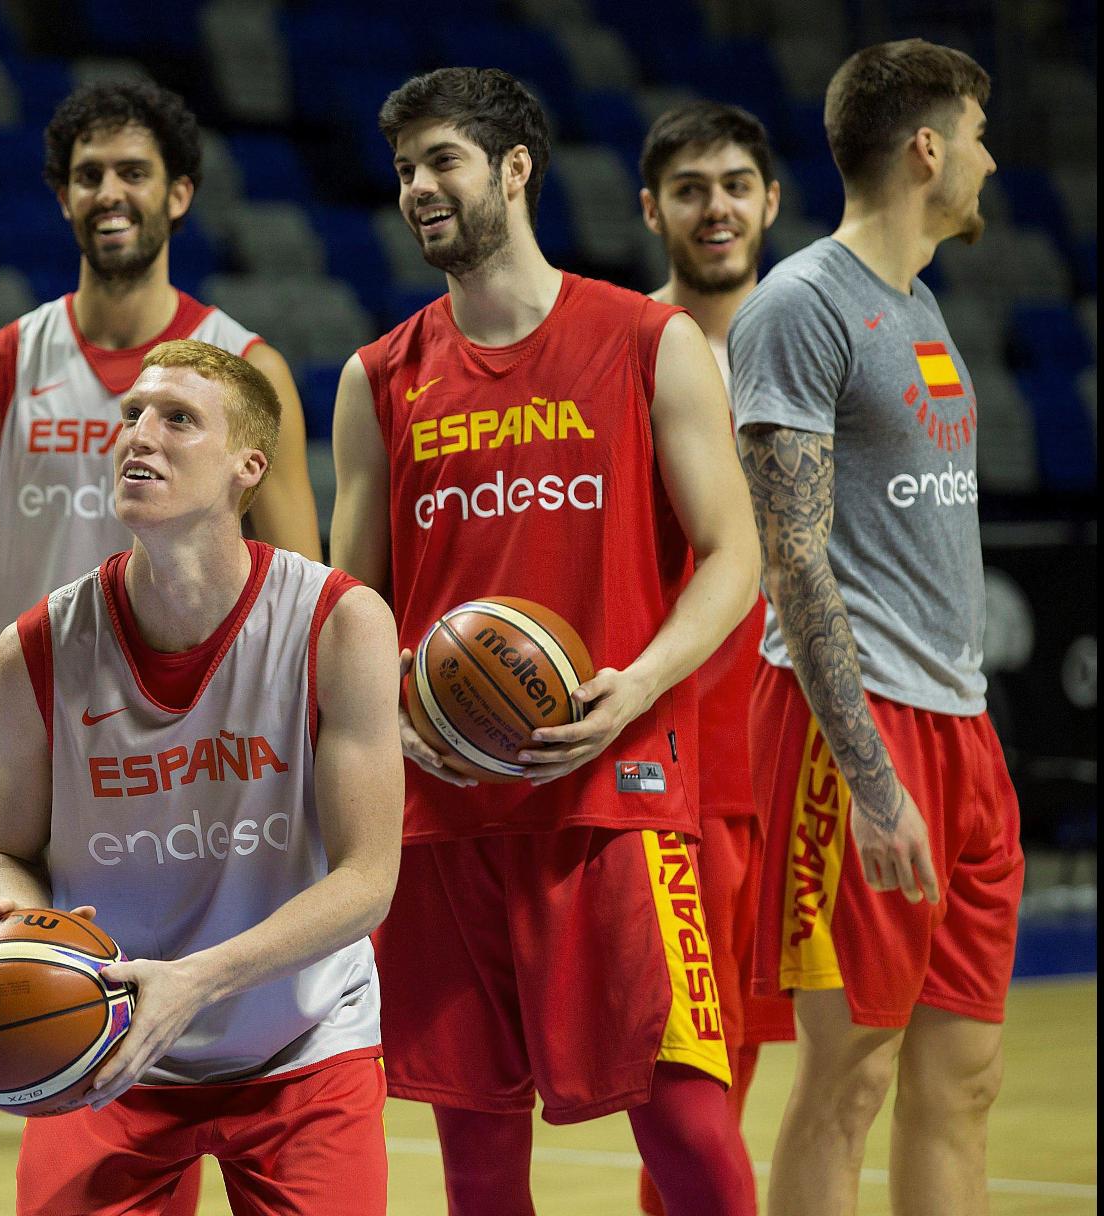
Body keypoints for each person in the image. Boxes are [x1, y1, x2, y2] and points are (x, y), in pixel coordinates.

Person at [327, 68, 761, 1214]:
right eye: (407, 168)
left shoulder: (647, 341)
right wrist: (395, 717)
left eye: (443, 162)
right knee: (477, 1166)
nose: (419, 187)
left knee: (689, 1130)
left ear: (516, 169)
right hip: (447, 811)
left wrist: (639, 686)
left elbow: (733, 552)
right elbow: (351, 603)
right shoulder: (376, 378)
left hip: (612, 789)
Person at [0, 338, 402, 1215]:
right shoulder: (33, 651)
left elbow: (368, 880)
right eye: (131, 417)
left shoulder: (339, 625)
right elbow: (7, 847)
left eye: (177, 419)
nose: (137, 435)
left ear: (248, 468)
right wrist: (7, 920)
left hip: (300, 1040)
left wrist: (194, 981)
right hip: (103, 1041)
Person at [0, 80, 322, 924]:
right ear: (63, 196)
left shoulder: (247, 368)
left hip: (208, 763)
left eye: (134, 172)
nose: (109, 193)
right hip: (36, 763)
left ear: (178, 193)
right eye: (88, 175)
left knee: (204, 1033)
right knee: (34, 1033)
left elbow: (299, 595)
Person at [730, 40, 1018, 1216]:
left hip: (963, 721)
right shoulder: (799, 304)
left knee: (966, 1079)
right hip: (852, 735)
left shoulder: (922, 301)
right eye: (980, 136)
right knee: (849, 1077)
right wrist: (873, 778)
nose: (995, 163)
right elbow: (794, 561)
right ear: (929, 148)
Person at [633, 99, 799, 1216]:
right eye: (690, 188)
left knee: (759, 1053)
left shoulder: (820, 345)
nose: (717, 206)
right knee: (688, 1075)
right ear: (651, 210)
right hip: (680, 746)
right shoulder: (622, 347)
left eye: (735, 183)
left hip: (797, 736)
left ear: (771, 200)